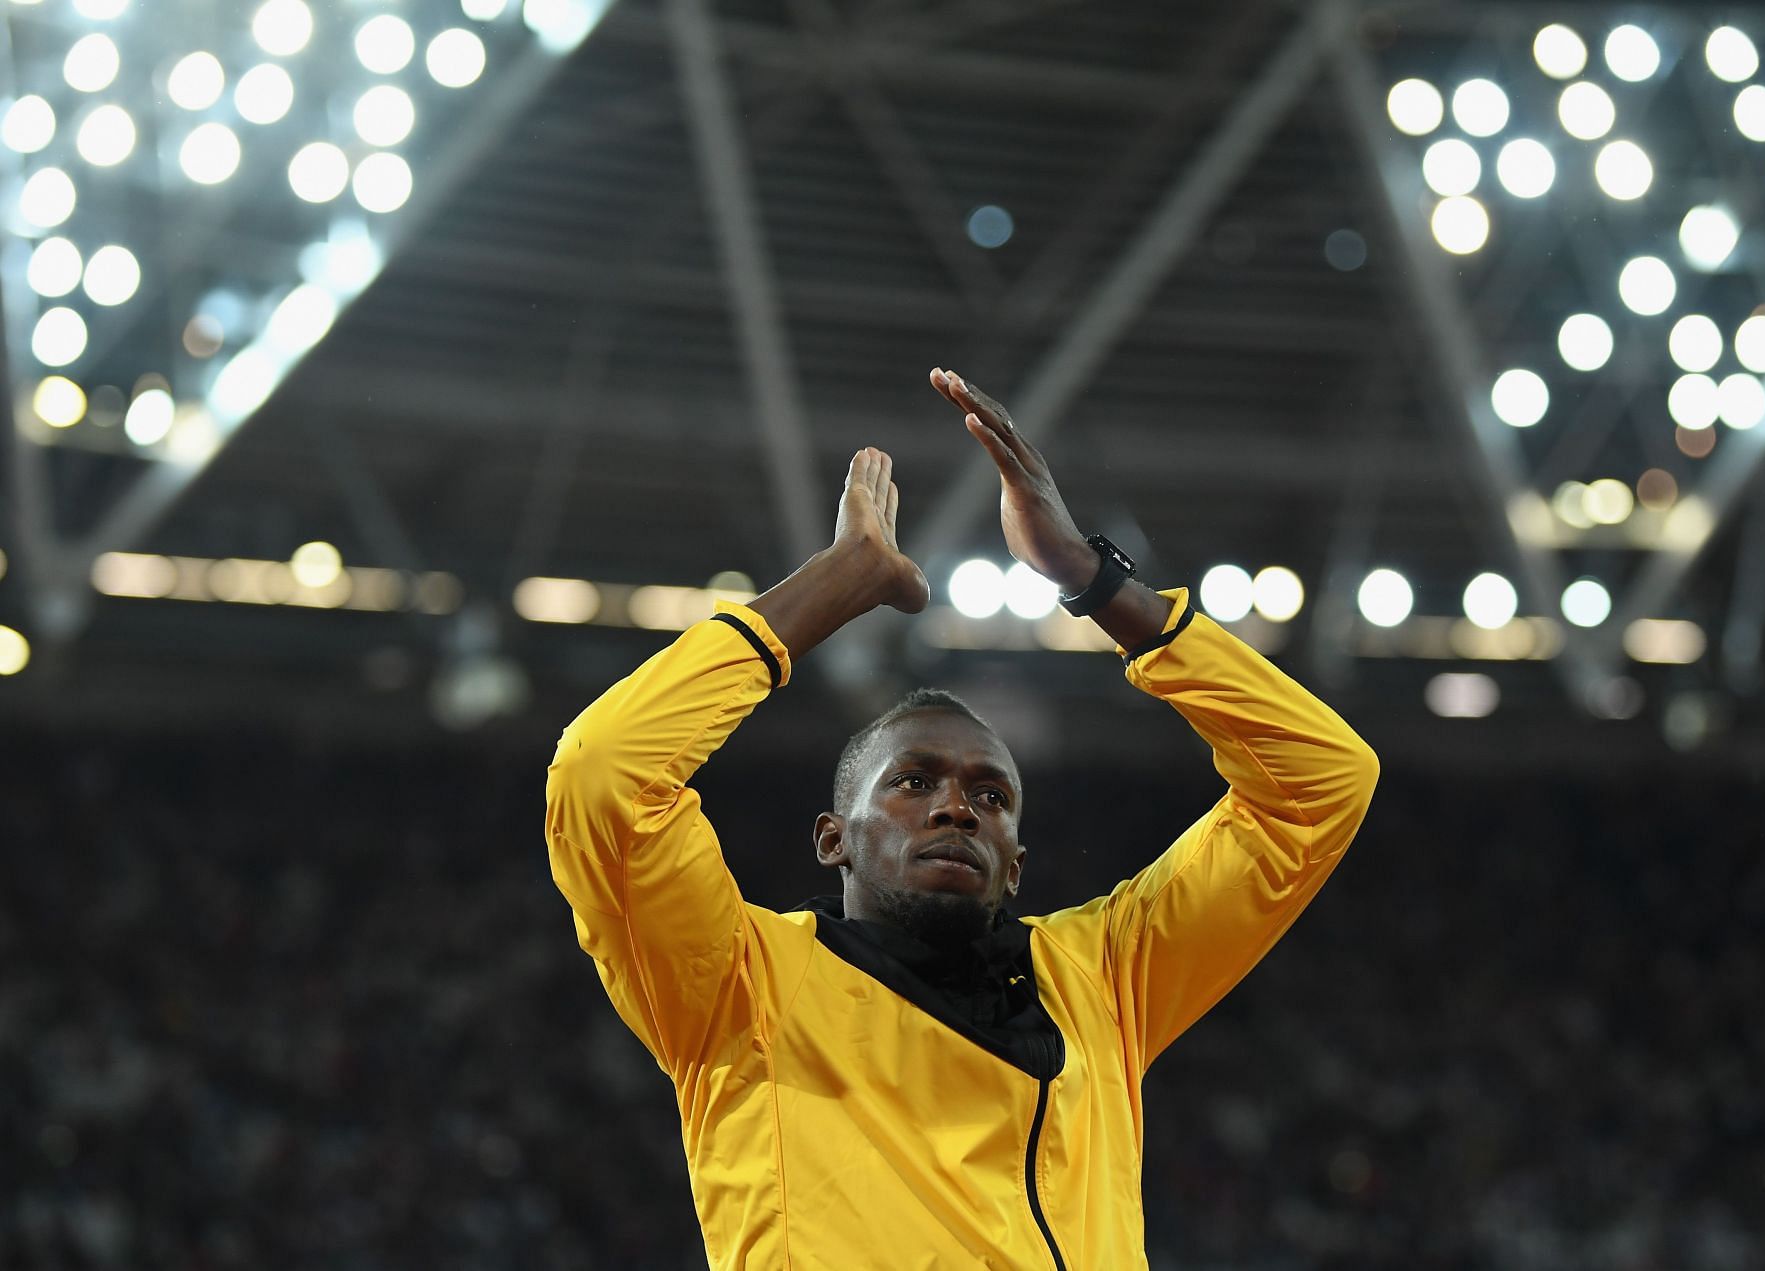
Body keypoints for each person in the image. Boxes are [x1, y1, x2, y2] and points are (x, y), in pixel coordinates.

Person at [544, 368, 1379, 1268]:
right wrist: (835, 584)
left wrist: (1095, 583)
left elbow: (1323, 778)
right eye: (912, 782)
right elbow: (604, 774)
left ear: (1016, 862)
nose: (957, 805)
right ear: (833, 839)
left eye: (992, 797)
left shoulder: (1102, 978)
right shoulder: (736, 986)